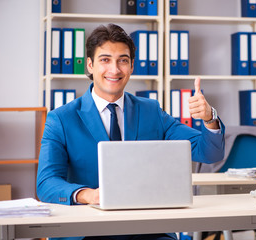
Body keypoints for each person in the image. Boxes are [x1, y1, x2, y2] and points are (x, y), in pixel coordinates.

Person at [36, 23, 225, 240]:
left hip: (146, 231)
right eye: (105, 60)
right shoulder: (61, 119)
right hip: (88, 231)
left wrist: (210, 118)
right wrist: (89, 195)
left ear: (132, 66)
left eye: (122, 60)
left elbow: (209, 153)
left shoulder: (151, 111)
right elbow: (46, 183)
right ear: (89, 65)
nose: (115, 69)